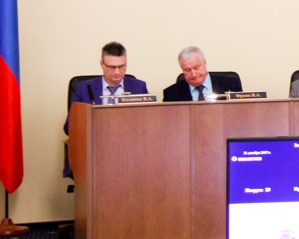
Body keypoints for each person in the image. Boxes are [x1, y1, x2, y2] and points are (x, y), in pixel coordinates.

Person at [63, 41, 149, 175]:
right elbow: (69, 127)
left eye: (122, 66)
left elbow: (148, 125)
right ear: (102, 64)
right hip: (95, 151)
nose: (117, 72)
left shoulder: (138, 87)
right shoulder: (84, 88)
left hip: (130, 152)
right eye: (111, 67)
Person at [163, 46, 242, 101]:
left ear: (204, 62)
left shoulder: (231, 84)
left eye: (196, 68)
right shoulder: (171, 94)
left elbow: (241, 112)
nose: (193, 74)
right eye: (187, 70)